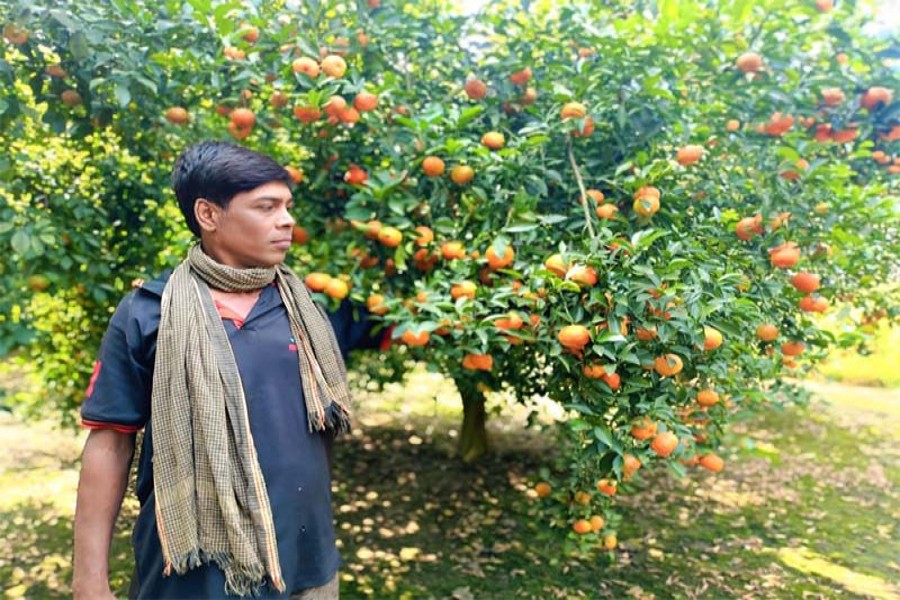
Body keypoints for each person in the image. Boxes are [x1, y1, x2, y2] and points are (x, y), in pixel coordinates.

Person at [72, 141, 384, 599]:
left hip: (306, 565)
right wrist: (89, 580)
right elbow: (109, 443)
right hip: (193, 574)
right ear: (208, 214)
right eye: (266, 206)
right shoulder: (149, 313)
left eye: (287, 206)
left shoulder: (308, 310)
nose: (286, 220)